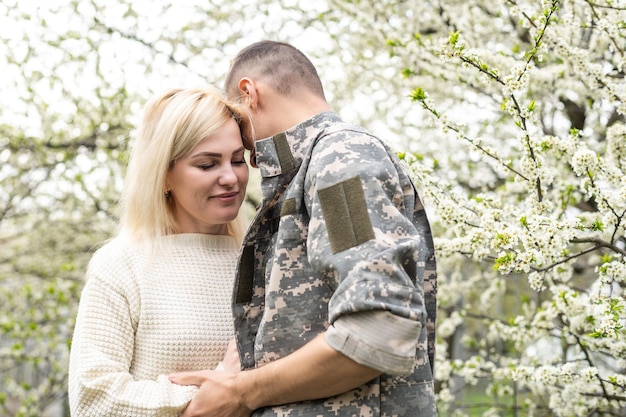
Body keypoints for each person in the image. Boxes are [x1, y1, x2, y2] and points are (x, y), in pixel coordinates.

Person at [170, 40, 438, 417]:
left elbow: (379, 328)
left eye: (239, 128)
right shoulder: (317, 167)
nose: (248, 153)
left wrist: (243, 393)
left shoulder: (340, 162)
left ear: (249, 93)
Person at [68, 87, 251, 416]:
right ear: (164, 175)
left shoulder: (264, 260)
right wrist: (214, 393)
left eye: (238, 160)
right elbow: (93, 397)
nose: (230, 178)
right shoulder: (122, 265)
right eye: (207, 164)